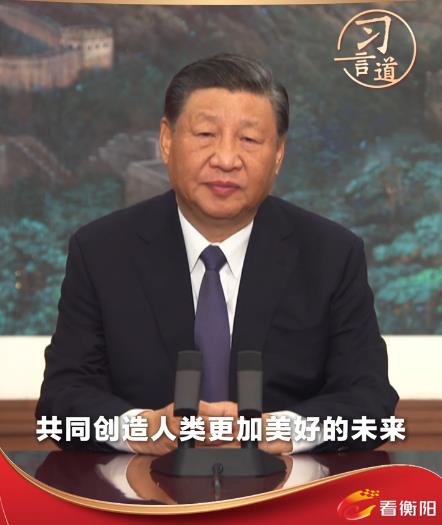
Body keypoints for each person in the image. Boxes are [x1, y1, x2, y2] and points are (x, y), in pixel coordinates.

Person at [36, 53, 398, 456]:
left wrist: (278, 429)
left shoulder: (331, 254)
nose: (226, 160)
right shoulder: (101, 251)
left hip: (286, 489)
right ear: (167, 140)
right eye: (206, 134)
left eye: (249, 140)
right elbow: (61, 400)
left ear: (278, 154)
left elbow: (371, 403)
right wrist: (144, 428)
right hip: (144, 489)